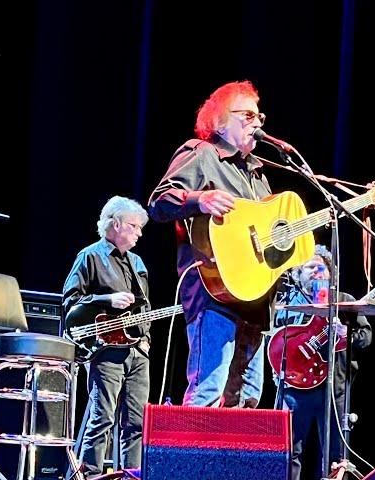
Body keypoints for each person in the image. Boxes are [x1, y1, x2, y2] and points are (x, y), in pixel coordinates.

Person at [147, 80, 273, 408]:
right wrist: (199, 198)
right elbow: (159, 201)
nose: (257, 122)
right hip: (214, 292)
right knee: (208, 392)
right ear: (218, 121)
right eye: (246, 115)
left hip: (255, 302)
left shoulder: (259, 176)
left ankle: (231, 462)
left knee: (247, 400)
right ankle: (191, 461)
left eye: (259, 116)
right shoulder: (202, 154)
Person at [62, 195, 150, 478]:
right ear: (116, 224)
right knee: (102, 417)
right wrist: (107, 299)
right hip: (106, 350)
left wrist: (146, 338)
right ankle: (89, 474)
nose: (139, 233)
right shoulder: (89, 256)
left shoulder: (137, 263)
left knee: (136, 422)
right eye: (135, 226)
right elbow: (70, 303)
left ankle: (131, 474)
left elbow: (144, 306)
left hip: (138, 351)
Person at [273, 244, 372, 480]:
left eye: (322, 268)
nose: (317, 272)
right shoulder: (289, 305)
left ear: (331, 273)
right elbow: (276, 342)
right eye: (310, 268)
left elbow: (366, 337)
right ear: (298, 274)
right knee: (288, 451)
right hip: (295, 389)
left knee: (336, 454)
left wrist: (345, 333)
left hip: (333, 387)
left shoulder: (345, 301)